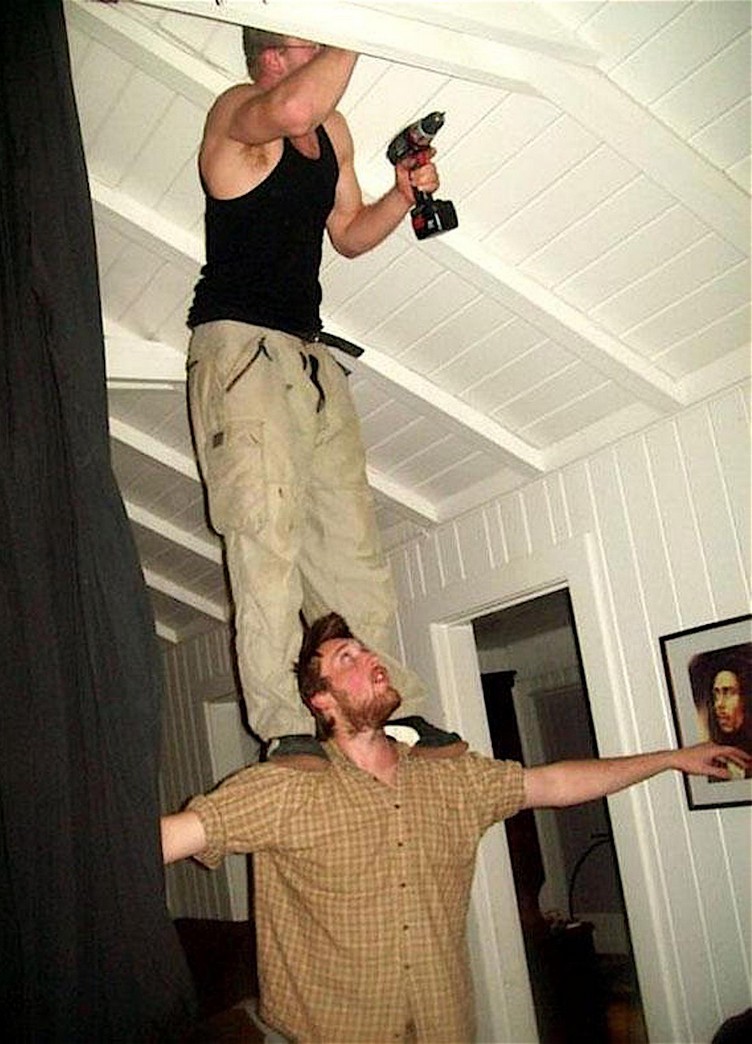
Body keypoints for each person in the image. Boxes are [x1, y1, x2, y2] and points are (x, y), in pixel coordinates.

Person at [161, 612, 751, 1043]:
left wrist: (671, 758)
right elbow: (169, 839)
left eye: (367, 651)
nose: (370, 659)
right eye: (346, 658)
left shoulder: (455, 779)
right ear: (321, 701)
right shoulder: (285, 787)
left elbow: (553, 783)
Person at [185, 27, 453, 758]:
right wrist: (359, 23)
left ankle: (388, 706)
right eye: (317, 41)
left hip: (309, 357)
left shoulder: (331, 130)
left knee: (351, 548)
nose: (331, 51)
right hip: (239, 352)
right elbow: (293, 108)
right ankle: (283, 726)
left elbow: (351, 234)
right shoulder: (236, 110)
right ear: (273, 57)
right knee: (266, 541)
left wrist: (402, 196)